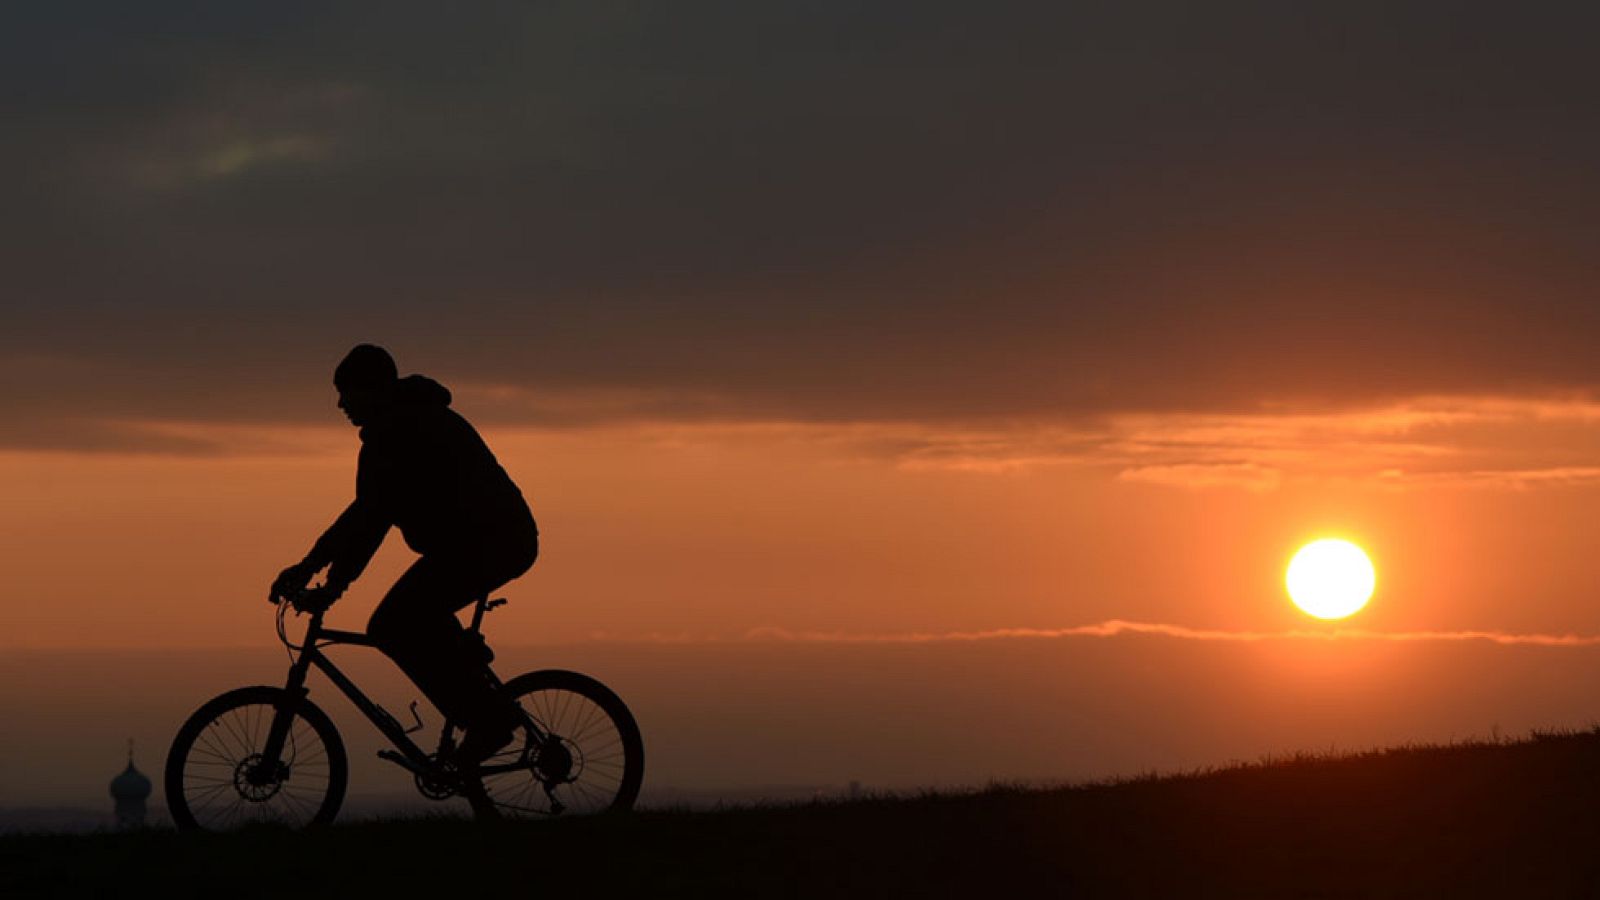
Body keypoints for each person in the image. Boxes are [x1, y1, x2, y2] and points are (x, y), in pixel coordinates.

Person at [268, 344, 539, 768]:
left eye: (347, 392)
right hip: (477, 543)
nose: (340, 403)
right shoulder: (395, 429)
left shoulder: (403, 431)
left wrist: (321, 577)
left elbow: (371, 518)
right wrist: (321, 574)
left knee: (392, 625)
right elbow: (367, 517)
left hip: (491, 542)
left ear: (373, 389)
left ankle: (486, 722)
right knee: (414, 619)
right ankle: (477, 695)